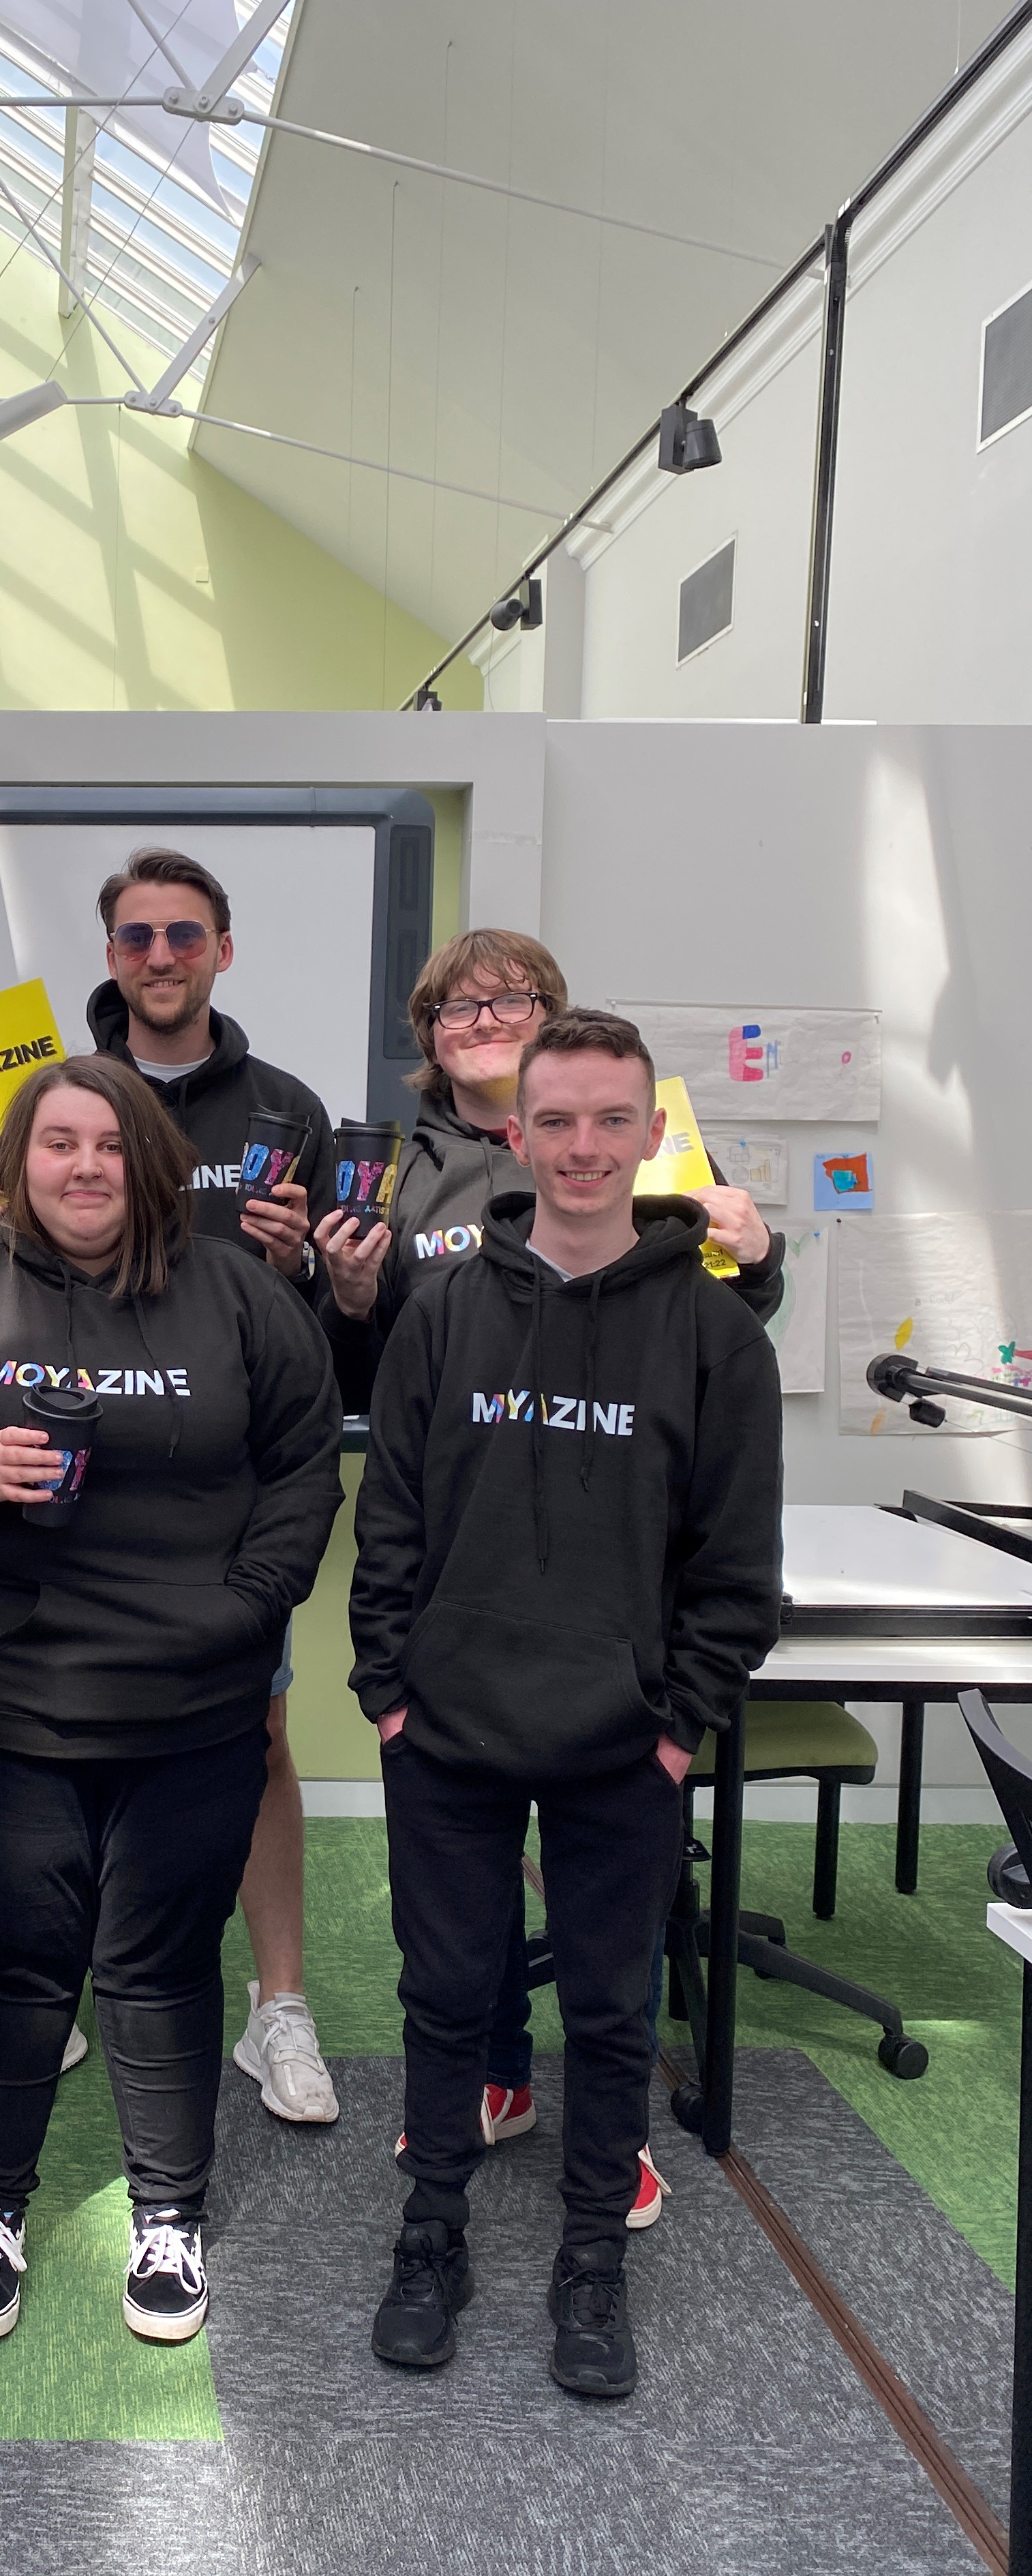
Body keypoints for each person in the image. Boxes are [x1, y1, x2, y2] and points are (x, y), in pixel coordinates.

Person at [0, 1055, 339, 2346]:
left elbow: (301, 1464)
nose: (85, 1167)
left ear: (150, 1159)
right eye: (58, 1143)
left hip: (193, 1696)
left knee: (160, 1964)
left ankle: (168, 2214)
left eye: (111, 1143)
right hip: (8, 1700)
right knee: (13, 1958)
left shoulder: (237, 1291)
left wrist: (251, 1603)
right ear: (20, 1162)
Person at [317, 927, 783, 2223]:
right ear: (518, 1132)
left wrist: (677, 1722)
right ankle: (490, 2087)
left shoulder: (676, 1230)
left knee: (606, 1973)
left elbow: (719, 1401)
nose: (584, 1145)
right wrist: (385, 1691)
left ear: (643, 1131)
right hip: (458, 1674)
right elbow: (390, 1452)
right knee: (451, 1958)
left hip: (614, 1682)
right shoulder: (400, 1182)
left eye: (508, 1001)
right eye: (457, 1008)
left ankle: (603, 2154)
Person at [0, 847, 343, 2130]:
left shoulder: (286, 1106)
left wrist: (303, 1268)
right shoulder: (45, 1093)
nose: (159, 956)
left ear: (222, 948)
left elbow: (335, 1314)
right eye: (136, 936)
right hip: (59, 1514)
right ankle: (50, 1987)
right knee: (51, 1761)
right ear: (108, 953)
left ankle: (277, 2004)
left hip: (214, 1508)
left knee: (257, 1738)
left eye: (183, 934)